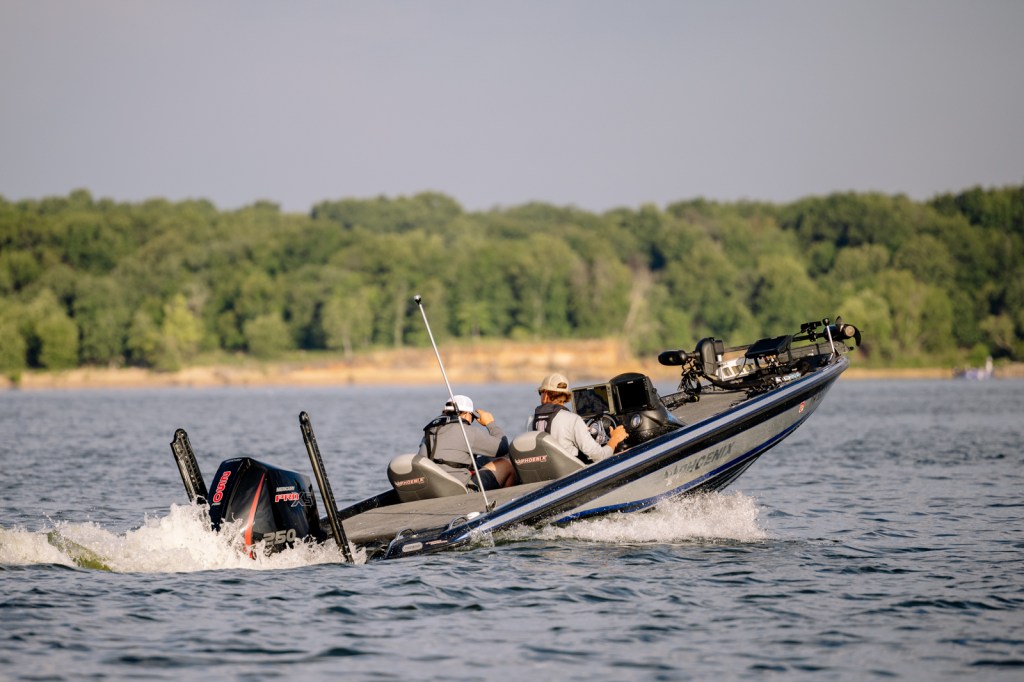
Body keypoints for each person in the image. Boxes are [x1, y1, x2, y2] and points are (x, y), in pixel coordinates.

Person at [417, 394, 517, 490]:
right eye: (472, 417)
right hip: (461, 490)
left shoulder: (429, 433)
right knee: (507, 464)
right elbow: (503, 447)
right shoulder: (467, 431)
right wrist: (490, 423)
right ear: (466, 414)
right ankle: (506, 499)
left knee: (485, 460)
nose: (471, 421)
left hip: (435, 489)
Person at [530, 373, 627, 463]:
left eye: (540, 392)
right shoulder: (573, 420)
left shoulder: (531, 420)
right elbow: (599, 456)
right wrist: (615, 439)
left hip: (544, 471)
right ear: (565, 396)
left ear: (545, 395)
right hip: (569, 472)